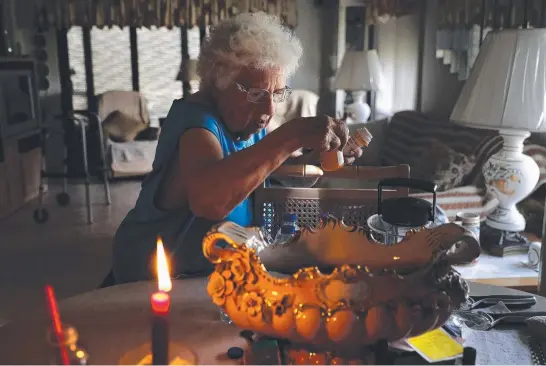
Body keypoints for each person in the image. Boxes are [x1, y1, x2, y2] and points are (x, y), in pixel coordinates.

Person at [112, 12, 362, 284]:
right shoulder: (196, 123)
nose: (268, 109)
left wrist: (321, 155)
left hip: (215, 271)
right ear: (220, 81)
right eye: (256, 94)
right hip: (157, 278)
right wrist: (290, 135)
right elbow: (210, 201)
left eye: (276, 94)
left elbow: (273, 170)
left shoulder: (247, 125)